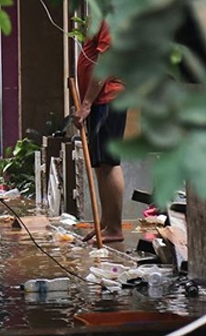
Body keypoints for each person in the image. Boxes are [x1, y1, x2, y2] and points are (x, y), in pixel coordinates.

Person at [73, 20, 126, 243]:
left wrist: (86, 104)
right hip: (100, 101)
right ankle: (105, 222)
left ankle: (114, 227)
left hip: (107, 98)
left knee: (109, 163)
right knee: (101, 163)